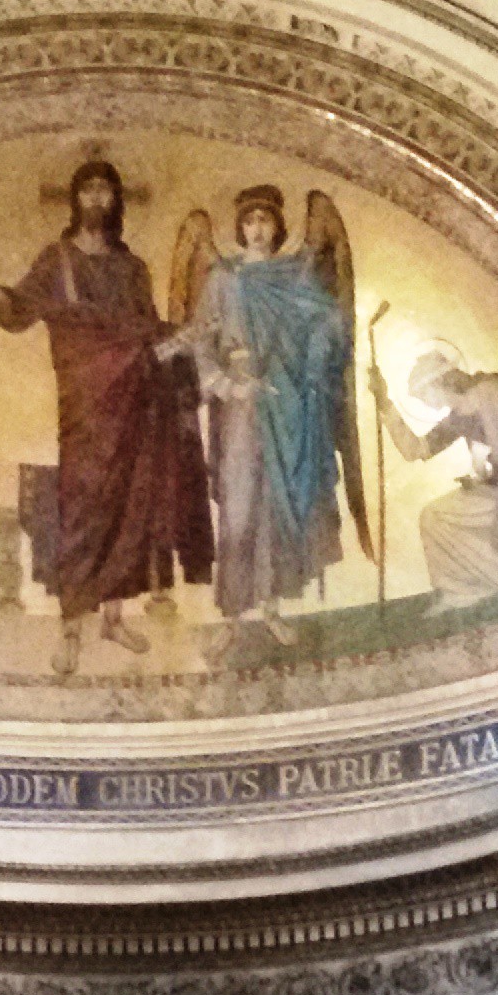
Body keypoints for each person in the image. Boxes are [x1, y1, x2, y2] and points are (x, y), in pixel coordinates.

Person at [0, 155, 213, 677]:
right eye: (87, 189)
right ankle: (72, 630)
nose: (96, 198)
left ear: (116, 201)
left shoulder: (133, 268)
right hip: (86, 407)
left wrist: (185, 338)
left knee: (129, 511)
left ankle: (113, 620)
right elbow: (14, 312)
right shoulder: (57, 261)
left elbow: (146, 331)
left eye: (104, 190)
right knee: (83, 514)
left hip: (133, 404)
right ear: (75, 199)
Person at [164, 185, 362, 653]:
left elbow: (328, 321)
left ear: (278, 226)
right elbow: (199, 341)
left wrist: (316, 354)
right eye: (249, 220)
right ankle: (233, 615)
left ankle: (271, 609)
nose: (257, 229)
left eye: (265, 220)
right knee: (238, 506)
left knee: (276, 506)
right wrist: (224, 384)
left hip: (284, 403)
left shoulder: (295, 276)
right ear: (240, 227)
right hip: (238, 408)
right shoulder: (224, 278)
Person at [369, 344, 498, 613]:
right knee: (433, 517)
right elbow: (417, 450)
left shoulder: (491, 392)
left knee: (453, 515)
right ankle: (462, 590)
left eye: (424, 394)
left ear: (439, 382)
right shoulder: (458, 415)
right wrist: (385, 404)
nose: (426, 402)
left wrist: (486, 480)